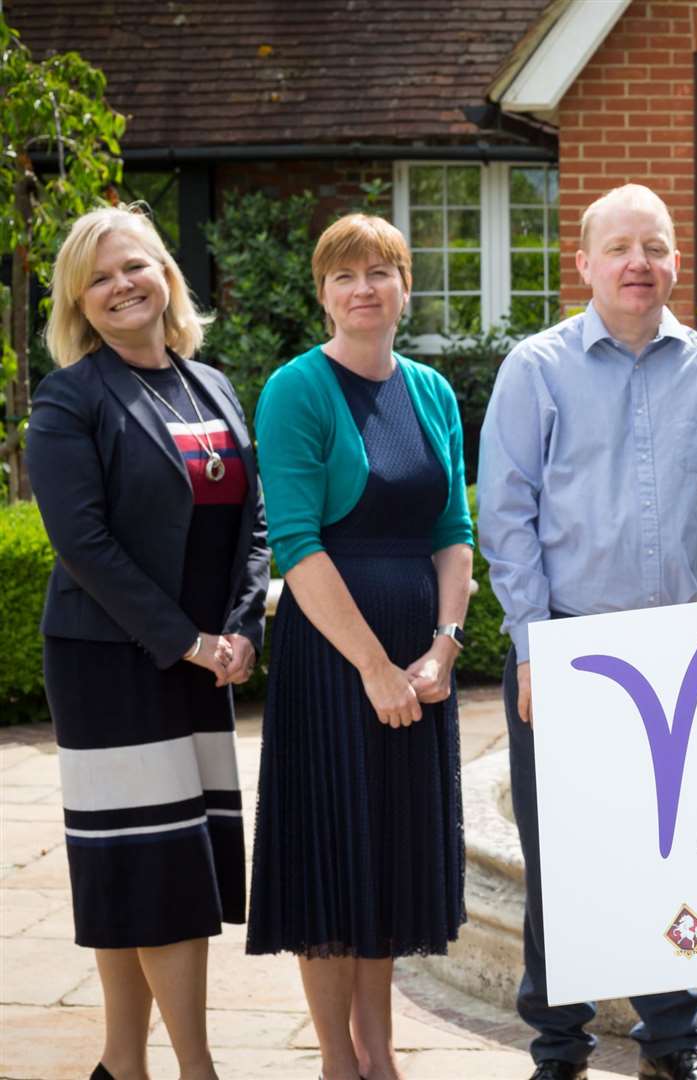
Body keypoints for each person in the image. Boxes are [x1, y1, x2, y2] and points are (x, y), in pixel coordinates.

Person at [477, 183, 697, 1080]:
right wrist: (529, 644)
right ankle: (557, 1051)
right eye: (620, 248)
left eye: (656, 246)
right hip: (569, 649)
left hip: (683, 654)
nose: (639, 263)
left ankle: (672, 1045)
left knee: (673, 858)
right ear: (586, 265)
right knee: (562, 866)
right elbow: (507, 515)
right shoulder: (537, 367)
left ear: (678, 260)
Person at [27, 205, 269, 1080]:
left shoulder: (211, 384)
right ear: (78, 304)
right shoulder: (70, 398)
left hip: (201, 660)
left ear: (165, 272)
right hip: (111, 663)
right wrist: (189, 642)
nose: (122, 285)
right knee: (158, 871)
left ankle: (121, 1066)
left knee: (156, 860)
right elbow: (83, 545)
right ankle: (197, 1072)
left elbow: (253, 522)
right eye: (99, 277)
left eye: (134, 266)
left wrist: (238, 631)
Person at [246, 214, 473, 1080]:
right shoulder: (296, 390)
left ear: (405, 286)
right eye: (345, 275)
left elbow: (454, 530)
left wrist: (442, 651)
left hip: (421, 663)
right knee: (332, 852)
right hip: (336, 663)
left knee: (390, 851)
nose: (364, 288)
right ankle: (338, 1061)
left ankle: (381, 1054)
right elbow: (298, 545)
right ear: (323, 294)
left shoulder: (432, 392)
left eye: (381, 270)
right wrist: (375, 668)